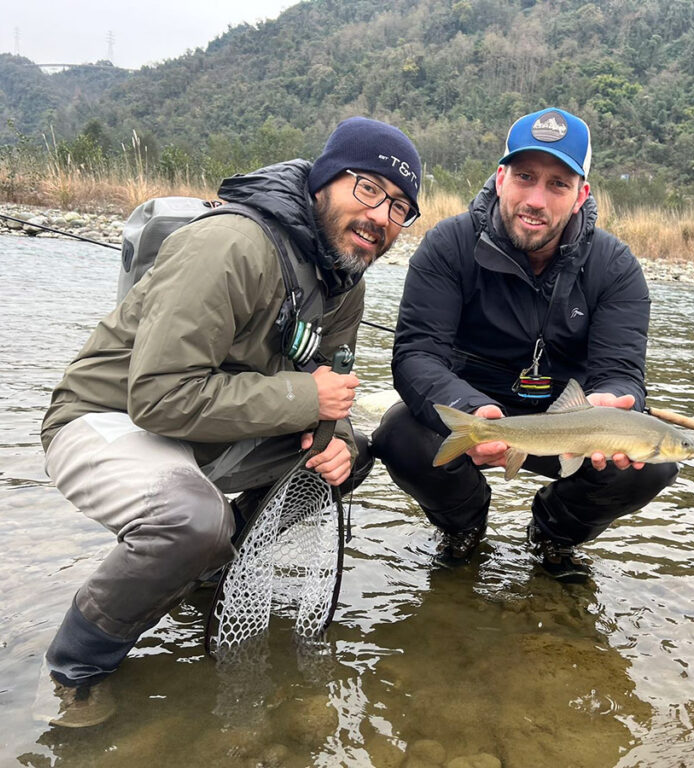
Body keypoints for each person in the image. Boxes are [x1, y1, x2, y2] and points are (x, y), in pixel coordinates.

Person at [37, 117, 422, 727]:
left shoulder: (345, 281)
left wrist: (340, 441)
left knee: (348, 464)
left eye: (401, 207)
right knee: (192, 521)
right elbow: (160, 397)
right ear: (323, 181)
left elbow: (331, 393)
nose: (381, 216)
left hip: (208, 428)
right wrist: (305, 399)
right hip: (106, 418)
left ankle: (211, 564)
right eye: (367, 188)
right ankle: (76, 671)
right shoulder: (232, 244)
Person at [371, 107, 677, 584]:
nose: (536, 198)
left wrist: (615, 403)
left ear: (581, 196)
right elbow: (416, 355)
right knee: (398, 434)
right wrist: (473, 410)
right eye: (525, 176)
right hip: (476, 410)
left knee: (649, 465)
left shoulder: (614, 267)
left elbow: (620, 370)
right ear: (500, 178)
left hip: (572, 425)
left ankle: (554, 536)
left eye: (558, 184)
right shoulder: (449, 245)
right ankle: (463, 526)